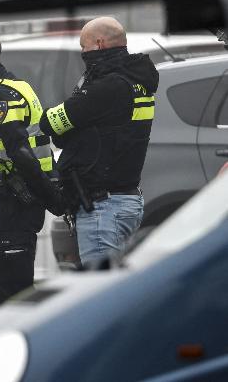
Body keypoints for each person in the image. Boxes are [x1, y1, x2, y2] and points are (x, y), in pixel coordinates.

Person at [39, 16, 158, 266]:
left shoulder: (108, 87)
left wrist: (69, 123)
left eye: (84, 47)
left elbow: (50, 123)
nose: (83, 53)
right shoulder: (137, 81)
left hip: (104, 208)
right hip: (126, 200)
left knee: (102, 289)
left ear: (100, 44)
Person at [0, 29, 64, 304]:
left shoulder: (0, 95)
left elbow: (20, 151)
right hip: (15, 198)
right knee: (16, 288)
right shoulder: (16, 85)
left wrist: (52, 198)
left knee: (13, 295)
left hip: (17, 200)